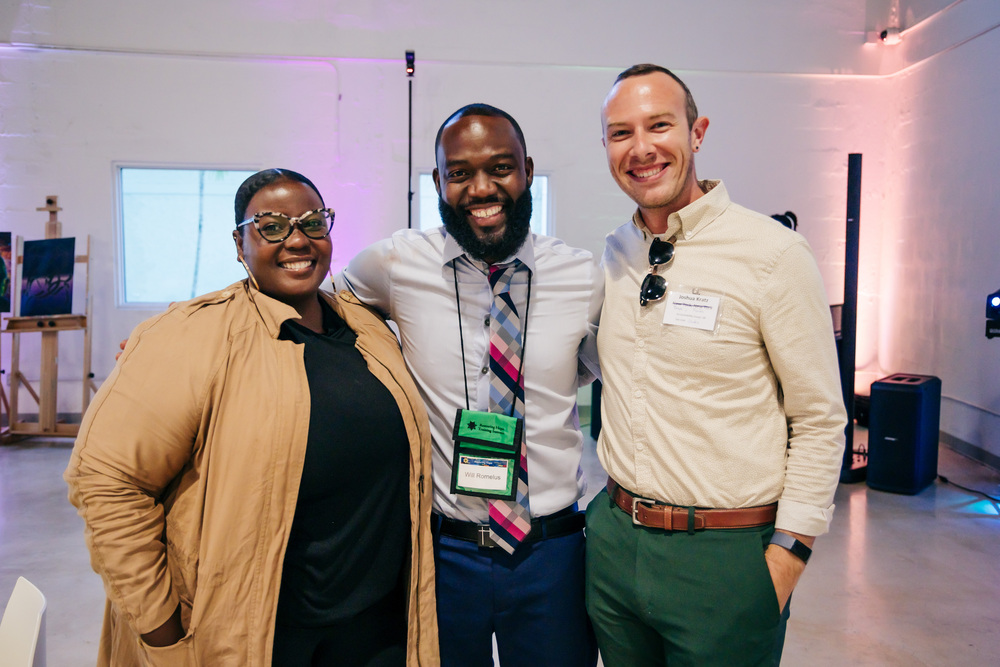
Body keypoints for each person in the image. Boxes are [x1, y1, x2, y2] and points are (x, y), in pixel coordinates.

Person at [65, 168, 438, 666]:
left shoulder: (368, 329)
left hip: (376, 627)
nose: (297, 240)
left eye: (312, 222)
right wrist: (160, 630)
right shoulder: (191, 337)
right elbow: (107, 482)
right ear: (240, 244)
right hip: (255, 635)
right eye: (272, 226)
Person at [586, 64, 847, 666]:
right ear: (605, 146)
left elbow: (818, 418)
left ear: (697, 132)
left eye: (659, 125)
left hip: (726, 554)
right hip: (614, 542)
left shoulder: (772, 255)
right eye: (621, 133)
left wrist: (789, 554)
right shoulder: (617, 252)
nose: (642, 148)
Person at [337, 104, 602, 667]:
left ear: (527, 170)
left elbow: (623, 370)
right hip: (443, 553)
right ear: (438, 181)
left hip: (550, 554)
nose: (482, 188)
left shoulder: (581, 277)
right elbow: (315, 306)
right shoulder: (394, 264)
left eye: (501, 168)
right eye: (459, 173)